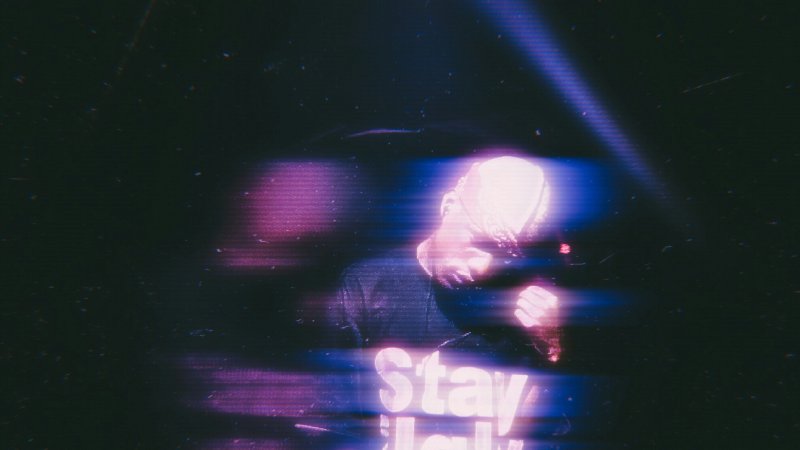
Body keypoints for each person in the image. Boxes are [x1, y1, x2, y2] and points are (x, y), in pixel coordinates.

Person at [327, 155, 565, 448]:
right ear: (449, 205)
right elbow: (337, 422)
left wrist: (550, 350)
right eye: (478, 242)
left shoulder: (526, 309)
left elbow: (546, 433)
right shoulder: (367, 286)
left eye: (505, 256)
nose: (483, 267)